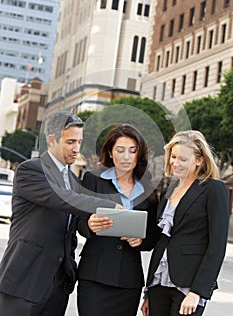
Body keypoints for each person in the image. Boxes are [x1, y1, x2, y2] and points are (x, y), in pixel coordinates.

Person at [0, 111, 121, 316]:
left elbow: (72, 228)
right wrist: (109, 205)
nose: (76, 149)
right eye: (70, 142)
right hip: (24, 280)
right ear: (52, 140)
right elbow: (64, 199)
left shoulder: (74, 181)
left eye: (79, 142)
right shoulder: (31, 170)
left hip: (58, 286)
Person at [141, 130, 229, 316]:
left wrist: (197, 291)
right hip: (159, 281)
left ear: (199, 160)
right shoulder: (169, 190)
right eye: (173, 156)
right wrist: (148, 291)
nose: (175, 163)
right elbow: (161, 239)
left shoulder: (214, 189)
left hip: (188, 286)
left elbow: (217, 246)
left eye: (183, 159)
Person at [77, 123, 159, 316]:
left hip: (128, 281)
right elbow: (78, 221)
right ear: (110, 153)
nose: (126, 156)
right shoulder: (93, 179)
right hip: (95, 276)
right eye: (120, 150)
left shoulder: (148, 189)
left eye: (132, 151)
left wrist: (142, 241)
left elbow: (154, 233)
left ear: (139, 155)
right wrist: (89, 224)